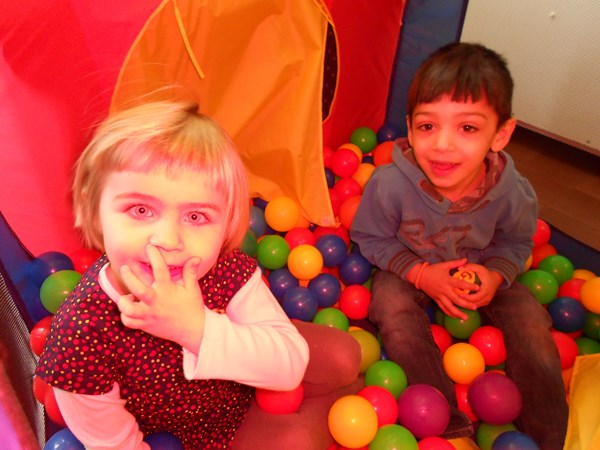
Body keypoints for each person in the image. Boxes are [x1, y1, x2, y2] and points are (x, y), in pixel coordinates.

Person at [36, 100, 361, 450]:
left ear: (226, 227)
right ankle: (334, 407)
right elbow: (116, 444)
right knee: (294, 442)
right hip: (200, 432)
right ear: (94, 211)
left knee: (345, 354)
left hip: (247, 375)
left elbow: (290, 365)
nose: (168, 240)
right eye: (140, 209)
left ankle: (342, 396)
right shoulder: (80, 334)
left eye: (195, 217)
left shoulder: (222, 267)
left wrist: (196, 328)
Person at [350, 42, 568, 450]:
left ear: (501, 134)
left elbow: (516, 241)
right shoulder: (389, 184)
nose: (443, 145)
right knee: (390, 307)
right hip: (411, 265)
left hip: (482, 269)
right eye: (427, 126)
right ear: (409, 128)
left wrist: (495, 274)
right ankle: (445, 422)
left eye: (467, 128)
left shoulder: (512, 192)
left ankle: (550, 436)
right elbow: (370, 236)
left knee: (530, 319)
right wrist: (420, 274)